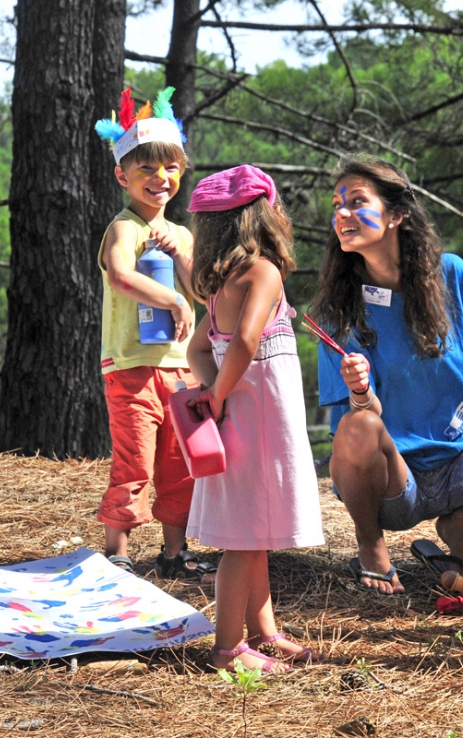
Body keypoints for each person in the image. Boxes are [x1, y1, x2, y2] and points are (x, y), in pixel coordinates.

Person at [312, 154, 463, 595]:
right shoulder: (336, 311)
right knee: (358, 424)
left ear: (397, 215)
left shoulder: (453, 275)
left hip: (461, 463)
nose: (341, 214)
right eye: (336, 205)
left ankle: (461, 521)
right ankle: (372, 548)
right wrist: (360, 390)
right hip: (392, 483)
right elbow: (360, 424)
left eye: (355, 201)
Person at [184, 165, 326, 672]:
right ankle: (227, 650)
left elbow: (200, 347)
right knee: (244, 542)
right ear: (260, 218)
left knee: (254, 531)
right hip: (262, 421)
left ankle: (264, 631)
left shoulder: (223, 285)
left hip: (244, 420)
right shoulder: (263, 272)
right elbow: (245, 341)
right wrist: (219, 394)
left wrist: (211, 387)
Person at [92, 87, 215, 581]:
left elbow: (203, 290)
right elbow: (121, 274)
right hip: (131, 368)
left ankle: (173, 553)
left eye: (169, 168)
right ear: (123, 175)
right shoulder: (123, 227)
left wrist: (181, 256)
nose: (158, 178)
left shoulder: (183, 234)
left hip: (180, 370)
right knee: (134, 461)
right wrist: (167, 298)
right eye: (145, 168)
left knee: (179, 464)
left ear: (180, 174)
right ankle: (117, 552)